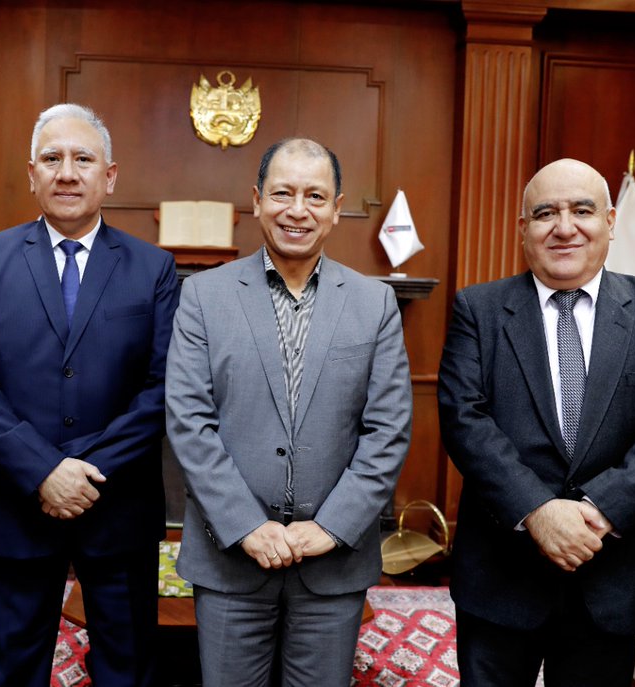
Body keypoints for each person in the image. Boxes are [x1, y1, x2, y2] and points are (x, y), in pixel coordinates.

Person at [438, 158, 635, 686]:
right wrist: (537, 511)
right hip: (500, 575)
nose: (564, 227)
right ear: (523, 229)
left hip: (611, 574)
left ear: (610, 221)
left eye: (581, 210)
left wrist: (599, 510)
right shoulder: (479, 308)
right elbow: (464, 419)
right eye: (545, 213)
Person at [0, 103, 178, 687]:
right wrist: (44, 470)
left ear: (110, 175)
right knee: (15, 668)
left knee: (129, 667)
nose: (66, 172)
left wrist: (83, 472)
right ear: (32, 173)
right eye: (52, 159)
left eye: (82, 159)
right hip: (17, 502)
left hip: (118, 503)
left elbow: (166, 386)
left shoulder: (153, 268)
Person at [165, 137, 412, 686]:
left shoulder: (374, 303)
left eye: (314, 196)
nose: (297, 210)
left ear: (336, 208)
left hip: (333, 561)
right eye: (282, 193)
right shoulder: (204, 296)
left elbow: (388, 430)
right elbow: (189, 421)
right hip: (231, 558)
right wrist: (246, 525)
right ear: (256, 200)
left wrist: (332, 526)